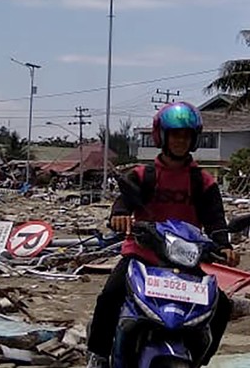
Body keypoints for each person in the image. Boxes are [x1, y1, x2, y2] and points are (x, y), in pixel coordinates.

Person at [85, 102, 238, 368]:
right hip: (142, 256)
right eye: (175, 134)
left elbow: (216, 220)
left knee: (222, 306)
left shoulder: (203, 181)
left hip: (185, 262)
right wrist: (119, 216)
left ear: (194, 139)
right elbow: (123, 203)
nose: (180, 140)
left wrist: (224, 246)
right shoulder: (143, 175)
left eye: (186, 135)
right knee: (110, 295)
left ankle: (201, 359)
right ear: (162, 137)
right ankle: (98, 355)